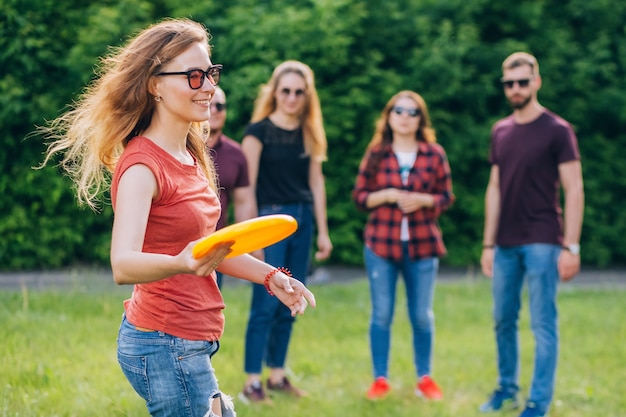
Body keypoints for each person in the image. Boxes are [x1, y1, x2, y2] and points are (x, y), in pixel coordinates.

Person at [39, 18, 316, 417]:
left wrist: (272, 276)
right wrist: (180, 262)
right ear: (155, 84)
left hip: (187, 342)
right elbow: (123, 262)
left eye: (210, 74)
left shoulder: (190, 153)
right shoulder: (141, 167)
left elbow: (209, 248)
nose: (209, 86)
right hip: (163, 342)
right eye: (194, 76)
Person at [479, 52, 584, 417]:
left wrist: (571, 245)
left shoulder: (558, 130)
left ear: (536, 81)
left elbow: (574, 188)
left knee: (543, 323)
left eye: (523, 81)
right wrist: (488, 243)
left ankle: (538, 401)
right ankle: (507, 390)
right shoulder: (500, 130)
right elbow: (494, 187)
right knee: (503, 320)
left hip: (543, 239)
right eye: (509, 83)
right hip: (504, 243)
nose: (516, 89)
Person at [239, 60, 333, 403]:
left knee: (291, 298)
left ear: (308, 96)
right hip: (269, 221)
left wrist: (323, 231)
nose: (292, 98)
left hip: (303, 219)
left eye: (299, 92)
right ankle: (252, 381)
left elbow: (316, 183)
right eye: (286, 91)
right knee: (266, 300)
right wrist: (251, 242)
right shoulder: (257, 132)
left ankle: (277, 375)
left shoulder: (309, 132)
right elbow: (245, 190)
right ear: (274, 92)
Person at [352, 90, 455, 401]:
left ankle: (424, 378)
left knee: (422, 315)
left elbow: (446, 197)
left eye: (413, 112)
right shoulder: (377, 154)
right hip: (381, 246)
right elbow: (359, 198)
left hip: (423, 247)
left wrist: (424, 200)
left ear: (420, 119)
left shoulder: (434, 154)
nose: (405, 117)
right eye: (399, 111)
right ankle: (380, 379)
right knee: (381, 313)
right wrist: (385, 195)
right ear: (389, 116)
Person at [203, 86, 255, 288]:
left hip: (218, 248)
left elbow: (243, 203)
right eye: (209, 104)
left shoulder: (236, 154)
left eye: (220, 105)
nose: (214, 110)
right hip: (180, 248)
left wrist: (247, 245)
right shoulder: (181, 148)